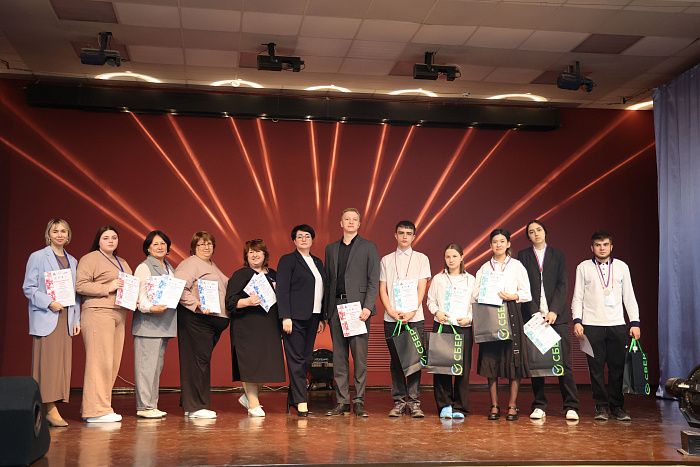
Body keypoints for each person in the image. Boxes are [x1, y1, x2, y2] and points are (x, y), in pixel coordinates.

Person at [572, 230, 640, 422]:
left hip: (617, 324)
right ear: (592, 247)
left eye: (605, 245)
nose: (602, 248)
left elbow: (629, 296)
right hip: (591, 325)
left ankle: (617, 407)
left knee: (617, 368)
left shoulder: (622, 267)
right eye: (598, 245)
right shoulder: (583, 267)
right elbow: (577, 296)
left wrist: (635, 322)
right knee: (595, 369)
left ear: (611, 246)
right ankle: (601, 406)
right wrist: (577, 320)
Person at [517, 220, 580, 421]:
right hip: (534, 317)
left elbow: (563, 285)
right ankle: (539, 405)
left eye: (539, 230)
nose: (535, 234)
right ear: (528, 236)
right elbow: (523, 286)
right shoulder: (523, 256)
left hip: (556, 317)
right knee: (537, 364)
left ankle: (571, 405)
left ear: (545, 232)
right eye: (531, 232)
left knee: (564, 362)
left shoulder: (557, 255)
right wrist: (534, 312)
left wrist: (554, 311)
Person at [22, 218, 81, 427]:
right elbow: (28, 288)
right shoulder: (38, 257)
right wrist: (49, 302)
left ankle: (51, 405)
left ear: (68, 235)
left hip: (66, 318)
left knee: (61, 365)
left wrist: (76, 319)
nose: (59, 235)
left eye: (63, 231)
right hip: (47, 314)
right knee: (47, 365)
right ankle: (48, 408)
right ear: (49, 234)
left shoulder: (73, 260)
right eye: (55, 231)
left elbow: (75, 293)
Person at [324, 208, 380, 417]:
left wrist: (368, 307)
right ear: (341, 223)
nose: (350, 222)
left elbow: (374, 280)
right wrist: (326, 312)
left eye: (354, 219)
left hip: (358, 309)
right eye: (346, 219)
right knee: (339, 358)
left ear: (359, 224)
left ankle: (358, 401)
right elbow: (328, 281)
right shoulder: (331, 249)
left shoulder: (369, 247)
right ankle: (341, 401)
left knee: (359, 358)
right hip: (336, 308)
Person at [473, 228, 531, 421]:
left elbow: (527, 293)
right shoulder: (484, 268)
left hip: (511, 312)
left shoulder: (517, 266)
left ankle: (512, 405)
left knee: (513, 361)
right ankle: (494, 405)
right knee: (491, 362)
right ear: (490, 245)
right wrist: (485, 294)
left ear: (508, 244)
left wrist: (513, 295)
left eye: (502, 241)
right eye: (495, 242)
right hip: (489, 315)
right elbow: (475, 294)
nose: (498, 245)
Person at [76, 225, 132, 423]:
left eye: (114, 237)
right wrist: (108, 287)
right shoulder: (90, 259)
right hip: (98, 312)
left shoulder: (122, 262)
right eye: (106, 237)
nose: (111, 240)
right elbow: (80, 285)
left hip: (119, 313)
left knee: (111, 363)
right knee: (99, 362)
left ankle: (102, 407)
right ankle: (94, 411)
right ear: (98, 240)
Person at [225, 239, 286, 417]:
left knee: (264, 365)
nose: (254, 255)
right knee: (250, 365)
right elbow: (230, 302)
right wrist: (247, 301)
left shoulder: (274, 274)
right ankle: (253, 404)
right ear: (246, 256)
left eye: (258, 251)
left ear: (265, 254)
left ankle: (247, 397)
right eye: (251, 252)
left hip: (269, 327)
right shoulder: (241, 274)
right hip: (247, 327)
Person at [175, 231, 229, 419]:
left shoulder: (212, 265)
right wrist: (196, 304)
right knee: (197, 362)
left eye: (209, 244)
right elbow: (178, 287)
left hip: (210, 322)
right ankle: (196, 407)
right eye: (201, 244)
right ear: (194, 247)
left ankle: (191, 404)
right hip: (196, 319)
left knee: (199, 362)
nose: (206, 247)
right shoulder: (190, 263)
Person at [379, 220, 431, 418]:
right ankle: (399, 401)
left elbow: (422, 288)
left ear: (414, 237)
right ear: (395, 235)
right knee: (396, 361)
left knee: (414, 361)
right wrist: (391, 311)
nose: (404, 236)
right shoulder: (386, 260)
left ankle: (415, 402)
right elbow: (382, 289)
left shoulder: (421, 258)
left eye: (408, 233)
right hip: (392, 318)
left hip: (414, 318)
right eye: (401, 233)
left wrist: (412, 311)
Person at [276, 225, 327, 417]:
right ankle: (301, 401)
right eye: (300, 236)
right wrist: (285, 316)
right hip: (294, 318)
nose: (304, 239)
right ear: (294, 240)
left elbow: (321, 290)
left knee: (305, 359)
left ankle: (293, 399)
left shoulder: (317, 262)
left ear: (312, 240)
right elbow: (282, 290)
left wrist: (321, 317)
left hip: (313, 317)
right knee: (296, 360)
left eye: (307, 236)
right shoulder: (288, 260)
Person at [427, 243, 476, 420]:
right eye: (448, 256)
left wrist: (469, 318)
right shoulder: (438, 279)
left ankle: (460, 406)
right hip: (443, 325)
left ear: (462, 257)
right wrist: (437, 312)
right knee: (442, 368)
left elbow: (475, 303)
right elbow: (430, 301)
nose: (451, 260)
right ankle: (445, 405)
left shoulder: (471, 280)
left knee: (462, 368)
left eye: (454, 256)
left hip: (463, 327)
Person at [132, 230, 177, 419]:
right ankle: (144, 407)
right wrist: (151, 308)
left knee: (156, 368)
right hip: (148, 324)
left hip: (164, 324)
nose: (160, 247)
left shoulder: (169, 267)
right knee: (146, 367)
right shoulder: (144, 267)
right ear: (148, 248)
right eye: (155, 244)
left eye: (163, 243)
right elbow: (139, 296)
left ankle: (152, 405)